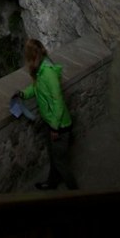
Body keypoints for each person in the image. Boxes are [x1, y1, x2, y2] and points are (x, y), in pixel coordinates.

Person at [19, 38, 78, 190]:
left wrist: (54, 127)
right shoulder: (40, 69)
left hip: (59, 125)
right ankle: (52, 183)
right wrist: (23, 94)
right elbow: (36, 88)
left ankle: (75, 192)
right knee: (54, 157)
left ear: (32, 57)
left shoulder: (48, 73)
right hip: (51, 121)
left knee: (60, 162)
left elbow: (58, 101)